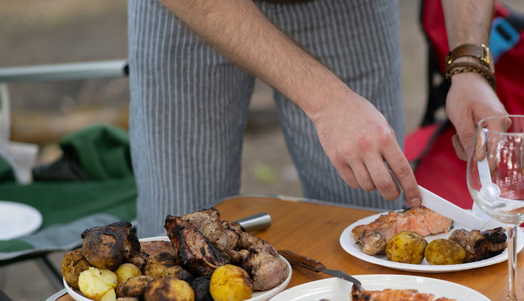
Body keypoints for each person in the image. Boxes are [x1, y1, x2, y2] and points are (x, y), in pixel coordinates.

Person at [128, 0, 505, 237]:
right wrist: (328, 103)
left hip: (343, 10)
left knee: (369, 229)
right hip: (193, 10)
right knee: (178, 232)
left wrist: (469, 64)